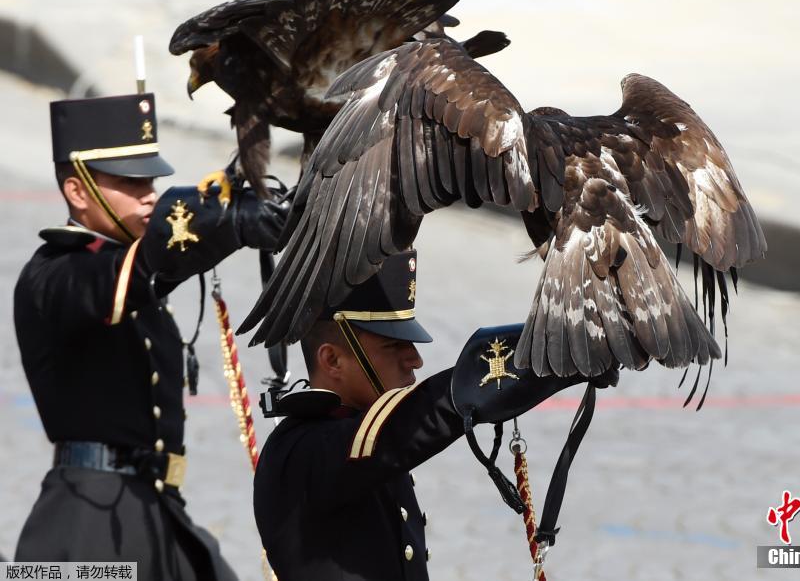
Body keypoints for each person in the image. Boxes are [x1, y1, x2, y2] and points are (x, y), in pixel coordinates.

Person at [13, 91, 288, 580]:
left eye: (150, 181)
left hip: (157, 508)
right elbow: (137, 273)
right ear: (79, 192)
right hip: (88, 522)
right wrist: (219, 226)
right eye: (128, 182)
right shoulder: (53, 275)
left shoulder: (127, 267)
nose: (147, 195)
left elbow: (150, 267)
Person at [253, 250, 606, 581]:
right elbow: (405, 428)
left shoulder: (349, 433)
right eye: (393, 346)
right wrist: (549, 353)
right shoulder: (299, 451)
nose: (414, 359)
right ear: (332, 361)